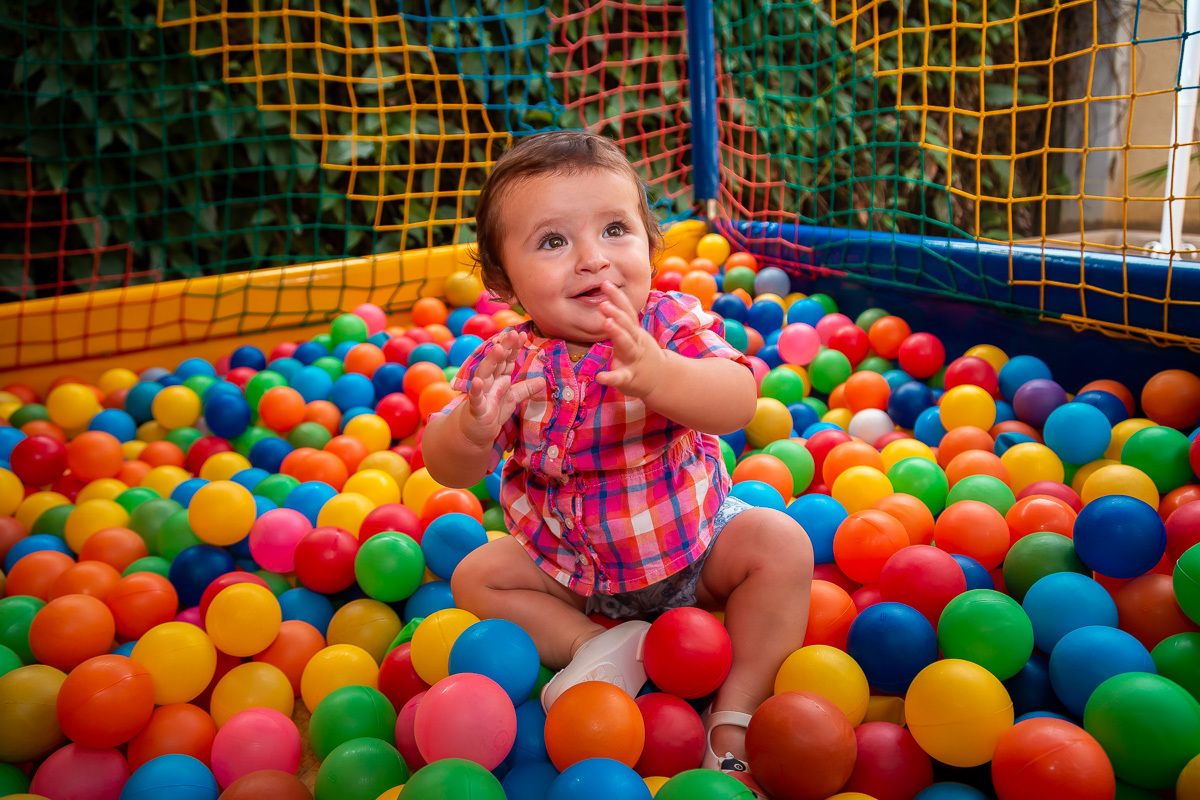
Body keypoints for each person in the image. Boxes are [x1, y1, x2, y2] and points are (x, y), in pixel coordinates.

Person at [423, 130, 814, 786]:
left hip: (694, 553)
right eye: (553, 241)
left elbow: (737, 399)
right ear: (502, 281)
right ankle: (598, 647)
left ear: (649, 245)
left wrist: (661, 376)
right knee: (476, 574)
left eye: (614, 230)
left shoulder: (669, 326)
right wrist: (471, 428)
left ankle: (736, 712)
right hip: (573, 574)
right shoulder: (510, 363)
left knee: (781, 545)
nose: (591, 261)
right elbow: (447, 468)